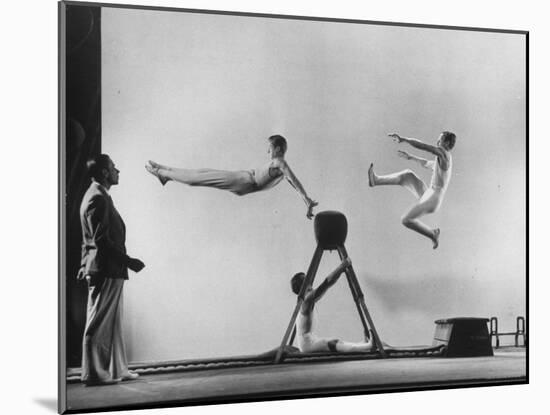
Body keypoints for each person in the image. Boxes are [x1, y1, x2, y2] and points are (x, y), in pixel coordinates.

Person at [77, 154, 146, 386]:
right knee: (99, 323)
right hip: (106, 269)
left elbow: (87, 239)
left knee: (113, 321)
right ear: (105, 173)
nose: (118, 171)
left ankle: (118, 368)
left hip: (105, 268)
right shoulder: (98, 198)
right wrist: (129, 261)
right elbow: (101, 241)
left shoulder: (97, 196)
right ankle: (95, 373)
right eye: (114, 168)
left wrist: (82, 264)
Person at [145, 134, 318, 219]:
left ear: (278, 149)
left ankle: (163, 173)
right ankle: (164, 169)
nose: (268, 151)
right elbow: (293, 183)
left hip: (244, 181)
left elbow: (295, 181)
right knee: (201, 173)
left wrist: (307, 200)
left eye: (270, 148)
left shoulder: (279, 163)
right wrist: (306, 201)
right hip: (243, 178)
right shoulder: (280, 168)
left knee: (198, 178)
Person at [368, 131, 457, 249]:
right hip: (429, 193)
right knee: (407, 175)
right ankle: (376, 181)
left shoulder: (444, 154)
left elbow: (424, 146)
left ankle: (432, 234)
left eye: (440, 140)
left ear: (446, 143)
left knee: (406, 220)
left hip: (434, 198)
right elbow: (426, 163)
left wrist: (404, 139)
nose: (437, 142)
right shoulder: (442, 159)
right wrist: (411, 157)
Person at [291, 259, 374, 353]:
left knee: (335, 341)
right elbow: (326, 283)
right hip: (307, 344)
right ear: (303, 285)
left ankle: (362, 345)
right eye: (306, 279)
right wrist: (341, 267)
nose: (309, 280)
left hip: (309, 340)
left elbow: (326, 284)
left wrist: (341, 269)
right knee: (332, 343)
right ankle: (368, 346)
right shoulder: (307, 300)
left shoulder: (306, 299)